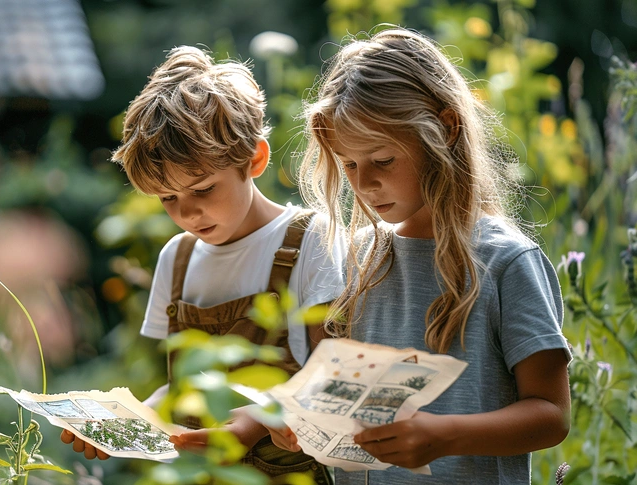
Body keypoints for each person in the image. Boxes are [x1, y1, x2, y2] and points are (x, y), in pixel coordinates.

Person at [270, 27, 571, 484]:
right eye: (349, 164)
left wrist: (447, 435)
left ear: (446, 128)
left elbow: (552, 414)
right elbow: (338, 392)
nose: (364, 183)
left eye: (383, 159)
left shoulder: (507, 263)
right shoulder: (356, 260)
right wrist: (299, 422)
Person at [61, 45, 343, 483]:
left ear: (255, 159)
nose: (188, 214)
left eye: (203, 189)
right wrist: (127, 422)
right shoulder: (177, 258)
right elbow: (179, 390)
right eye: (168, 199)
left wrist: (252, 425)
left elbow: (330, 376)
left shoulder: (310, 240)